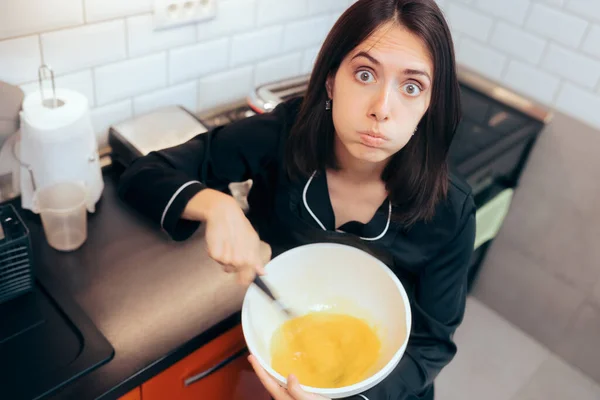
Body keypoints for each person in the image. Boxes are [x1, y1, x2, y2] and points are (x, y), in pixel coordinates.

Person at [118, 0, 475, 398]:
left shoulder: (449, 208)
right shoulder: (283, 135)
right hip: (284, 363)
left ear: (429, 103)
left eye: (411, 87)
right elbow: (143, 174)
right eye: (364, 73)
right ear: (329, 80)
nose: (382, 109)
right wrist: (216, 205)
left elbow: (431, 344)